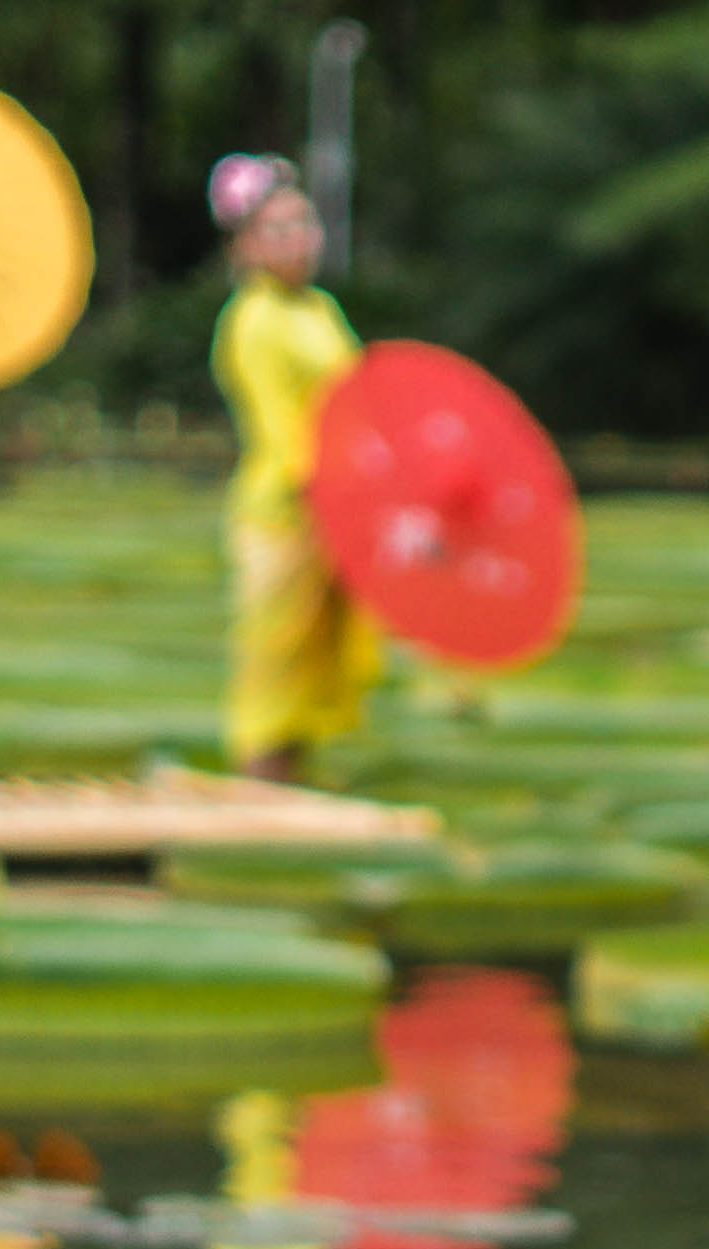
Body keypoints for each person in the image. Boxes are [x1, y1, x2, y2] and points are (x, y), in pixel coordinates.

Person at [211, 154, 383, 782]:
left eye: (304, 223)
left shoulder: (319, 310)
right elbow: (281, 426)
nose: (297, 240)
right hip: (286, 510)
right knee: (274, 661)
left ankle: (292, 789)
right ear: (246, 245)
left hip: (337, 503)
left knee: (315, 662)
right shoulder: (252, 320)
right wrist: (326, 489)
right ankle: (258, 797)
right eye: (277, 229)